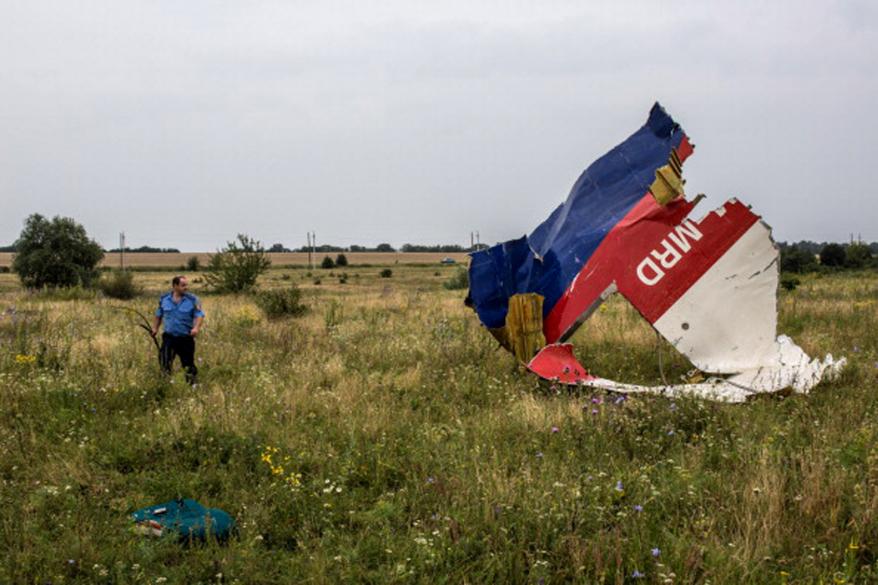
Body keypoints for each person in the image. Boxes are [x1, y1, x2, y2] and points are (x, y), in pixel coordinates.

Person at [151, 275, 204, 384]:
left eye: (186, 285)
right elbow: (158, 314)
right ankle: (165, 384)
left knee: (188, 364)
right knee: (165, 362)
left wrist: (196, 328)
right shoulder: (164, 299)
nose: (186, 287)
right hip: (169, 338)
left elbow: (199, 315)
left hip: (185, 338)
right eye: (183, 285)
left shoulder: (193, 300)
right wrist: (155, 328)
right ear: (175, 286)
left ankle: (192, 386)